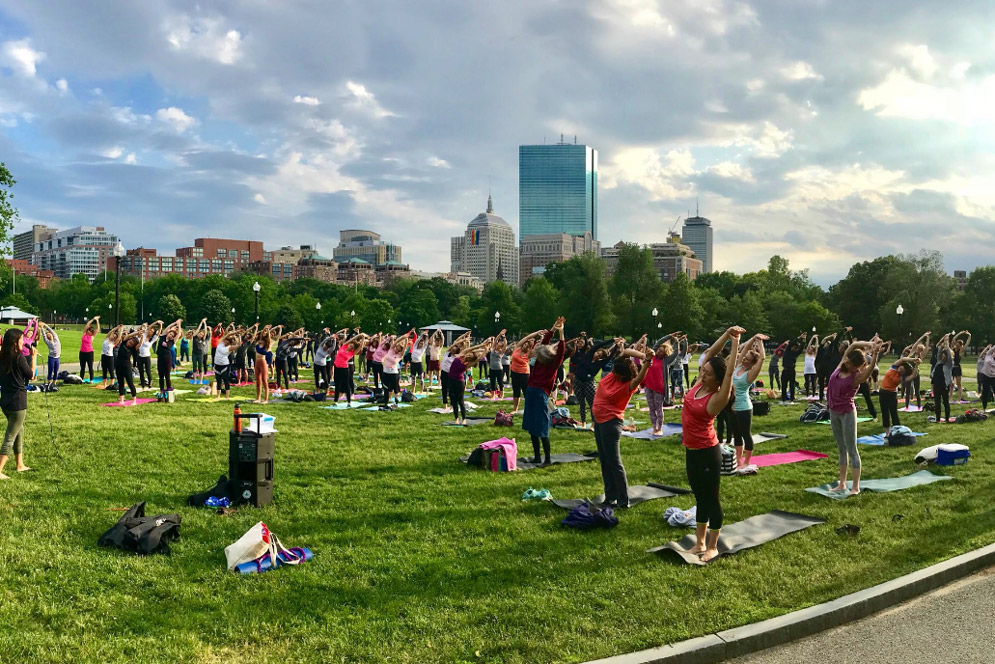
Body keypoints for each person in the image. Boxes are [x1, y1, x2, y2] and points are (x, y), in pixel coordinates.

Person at [682, 326, 742, 562]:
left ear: (716, 379)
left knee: (711, 498)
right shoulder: (698, 384)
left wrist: (736, 344)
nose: (703, 373)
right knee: (699, 497)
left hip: (708, 452)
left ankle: (713, 546)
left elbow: (728, 375)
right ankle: (698, 543)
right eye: (703, 371)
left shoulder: (718, 397)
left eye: (708, 373)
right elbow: (709, 354)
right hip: (691, 450)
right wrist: (727, 334)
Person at [591, 345, 653, 508]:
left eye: (617, 374)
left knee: (614, 462)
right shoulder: (614, 374)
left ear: (623, 375)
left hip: (611, 423)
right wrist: (643, 354)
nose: (614, 374)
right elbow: (625, 352)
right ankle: (610, 495)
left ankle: (623, 500)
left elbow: (639, 378)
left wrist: (647, 362)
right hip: (599, 421)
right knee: (604, 460)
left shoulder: (628, 385)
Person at [826, 339, 880, 496]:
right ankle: (842, 483)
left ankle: (855, 486)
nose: (848, 365)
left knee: (852, 450)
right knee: (841, 449)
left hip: (847, 414)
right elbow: (852, 346)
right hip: (833, 412)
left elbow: (869, 370)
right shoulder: (840, 366)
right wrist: (869, 344)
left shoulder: (856, 377)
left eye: (851, 365)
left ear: (857, 367)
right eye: (848, 362)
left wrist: (875, 354)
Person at [522, 317, 566, 466]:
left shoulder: (552, 364)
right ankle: (536, 457)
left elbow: (560, 351)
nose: (535, 355)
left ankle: (547, 459)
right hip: (531, 392)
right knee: (531, 427)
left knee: (541, 427)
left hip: (541, 394)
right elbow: (545, 343)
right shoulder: (541, 361)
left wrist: (561, 333)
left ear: (543, 355)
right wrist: (553, 328)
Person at [0, 328, 36, 479]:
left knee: (18, 430)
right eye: (21, 340)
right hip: (18, 402)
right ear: (15, 342)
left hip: (5, 401)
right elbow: (31, 376)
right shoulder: (19, 358)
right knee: (10, 436)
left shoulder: (1, 357)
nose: (23, 342)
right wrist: (33, 357)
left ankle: (19, 464)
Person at [571, 337, 624, 430]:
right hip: (577, 381)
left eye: (600, 356)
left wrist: (616, 347)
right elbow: (598, 345)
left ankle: (593, 424)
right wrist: (612, 340)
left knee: (592, 404)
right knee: (581, 403)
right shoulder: (588, 355)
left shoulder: (599, 363)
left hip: (589, 383)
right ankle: (583, 422)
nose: (597, 355)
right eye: (598, 353)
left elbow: (610, 357)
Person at [731, 334, 767, 469]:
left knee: (746, 434)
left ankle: (747, 461)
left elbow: (762, 358)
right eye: (744, 357)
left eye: (747, 359)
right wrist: (754, 338)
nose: (744, 358)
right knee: (736, 435)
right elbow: (745, 349)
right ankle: (738, 460)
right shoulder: (738, 366)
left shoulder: (751, 374)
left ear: (752, 363)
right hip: (732, 406)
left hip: (744, 407)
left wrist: (760, 342)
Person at [643, 334, 682, 435]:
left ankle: (659, 428)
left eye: (661, 351)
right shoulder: (652, 357)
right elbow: (657, 343)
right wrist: (669, 336)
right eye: (658, 350)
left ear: (665, 353)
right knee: (651, 409)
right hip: (648, 386)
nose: (659, 352)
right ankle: (654, 428)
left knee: (658, 409)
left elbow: (676, 352)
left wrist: (676, 341)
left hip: (659, 388)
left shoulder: (666, 361)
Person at [449, 339, 493, 425]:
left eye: (470, 356)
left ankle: (464, 418)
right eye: (469, 354)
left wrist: (485, 350)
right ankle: (456, 418)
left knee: (460, 400)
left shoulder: (468, 364)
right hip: (451, 380)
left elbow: (479, 358)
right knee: (453, 400)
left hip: (459, 382)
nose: (468, 355)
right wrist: (482, 345)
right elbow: (471, 348)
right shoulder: (461, 355)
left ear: (471, 359)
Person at [879, 357, 918, 434]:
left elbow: (913, 375)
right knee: (885, 413)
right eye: (900, 368)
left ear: (904, 373)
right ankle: (887, 433)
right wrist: (914, 359)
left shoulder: (902, 378)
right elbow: (903, 359)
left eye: (902, 370)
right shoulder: (893, 368)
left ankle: (897, 431)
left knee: (894, 413)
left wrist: (916, 366)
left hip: (891, 394)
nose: (899, 370)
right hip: (882, 392)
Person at [510, 331, 541, 415]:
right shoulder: (517, 348)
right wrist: (537, 332)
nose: (524, 346)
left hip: (524, 374)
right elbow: (527, 338)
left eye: (527, 345)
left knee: (526, 392)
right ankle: (515, 409)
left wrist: (542, 338)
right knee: (516, 391)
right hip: (514, 372)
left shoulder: (530, 353)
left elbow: (539, 347)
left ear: (529, 348)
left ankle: (529, 409)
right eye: (524, 344)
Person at [332, 332, 367, 405]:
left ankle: (349, 401)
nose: (351, 346)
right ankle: (335, 401)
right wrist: (358, 335)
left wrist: (363, 339)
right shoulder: (344, 346)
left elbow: (360, 347)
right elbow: (351, 340)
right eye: (351, 345)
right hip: (336, 368)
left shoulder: (352, 353)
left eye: (353, 347)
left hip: (344, 369)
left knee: (346, 385)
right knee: (337, 385)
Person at [382, 330, 415, 405]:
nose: (397, 350)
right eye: (397, 348)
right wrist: (403, 336)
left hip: (393, 373)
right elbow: (396, 342)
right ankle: (386, 402)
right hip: (385, 372)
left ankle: (396, 401)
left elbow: (403, 350)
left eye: (399, 349)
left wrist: (406, 341)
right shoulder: (391, 350)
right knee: (386, 388)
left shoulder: (400, 355)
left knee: (395, 388)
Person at [115, 326, 145, 405]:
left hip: (126, 366)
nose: (129, 343)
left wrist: (141, 338)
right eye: (130, 341)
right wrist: (137, 333)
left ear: (133, 345)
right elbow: (129, 336)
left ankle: (134, 400)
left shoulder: (132, 349)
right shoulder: (124, 342)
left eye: (131, 343)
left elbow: (139, 345)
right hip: (118, 365)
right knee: (120, 383)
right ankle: (121, 400)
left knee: (130, 383)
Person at [253, 325, 281, 405]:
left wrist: (269, 330)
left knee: (264, 381)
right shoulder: (259, 341)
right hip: (257, 362)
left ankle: (266, 399)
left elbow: (268, 336)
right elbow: (261, 334)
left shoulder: (267, 342)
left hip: (263, 361)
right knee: (258, 381)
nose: (264, 333)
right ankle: (258, 398)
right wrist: (264, 328)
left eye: (266, 332)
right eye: (264, 332)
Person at [214, 328, 242, 401]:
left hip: (224, 365)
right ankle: (218, 396)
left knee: (226, 380)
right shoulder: (221, 343)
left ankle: (227, 397)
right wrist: (236, 331)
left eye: (227, 341)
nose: (226, 341)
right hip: (217, 365)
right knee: (218, 380)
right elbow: (228, 334)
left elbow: (239, 345)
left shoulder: (230, 348)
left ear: (229, 343)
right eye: (226, 340)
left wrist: (239, 336)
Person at [156, 319, 183, 394]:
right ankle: (161, 389)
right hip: (160, 358)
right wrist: (175, 323)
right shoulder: (162, 337)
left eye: (172, 335)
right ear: (168, 333)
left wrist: (179, 325)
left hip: (167, 358)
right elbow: (168, 327)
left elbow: (178, 335)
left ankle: (168, 387)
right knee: (161, 375)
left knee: (167, 375)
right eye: (170, 334)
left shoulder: (172, 342)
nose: (170, 335)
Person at [779, 334, 805, 402]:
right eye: (794, 347)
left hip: (792, 371)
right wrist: (799, 337)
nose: (795, 349)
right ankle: (783, 399)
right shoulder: (787, 351)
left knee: (792, 386)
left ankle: (792, 398)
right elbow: (791, 343)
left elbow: (801, 349)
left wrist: (803, 341)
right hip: (785, 370)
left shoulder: (795, 353)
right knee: (784, 386)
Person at [136, 321, 161, 388]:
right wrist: (156, 322)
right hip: (140, 356)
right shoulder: (144, 335)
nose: (150, 331)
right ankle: (142, 384)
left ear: (153, 333)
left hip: (146, 356)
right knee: (141, 371)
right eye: (150, 330)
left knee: (148, 370)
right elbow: (149, 327)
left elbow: (158, 333)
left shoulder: (152, 339)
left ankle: (150, 382)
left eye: (152, 331)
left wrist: (160, 326)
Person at [950, 331, 971, 402]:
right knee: (951, 384)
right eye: (956, 343)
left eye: (958, 344)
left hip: (957, 368)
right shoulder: (952, 350)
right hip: (951, 368)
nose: (957, 345)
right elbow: (953, 339)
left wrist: (969, 336)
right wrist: (960, 333)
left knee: (959, 384)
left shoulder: (960, 351)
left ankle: (959, 399)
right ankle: (950, 399)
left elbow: (967, 344)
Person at [39, 322, 61, 388]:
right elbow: (44, 336)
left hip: (57, 358)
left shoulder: (56, 339)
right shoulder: (48, 342)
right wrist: (42, 329)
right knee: (50, 370)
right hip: (51, 358)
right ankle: (49, 383)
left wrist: (45, 325)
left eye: (49, 334)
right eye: (48, 335)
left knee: (56, 370)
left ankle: (54, 383)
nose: (49, 335)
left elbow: (52, 331)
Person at [486, 331, 508, 398]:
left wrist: (504, 338)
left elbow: (506, 344)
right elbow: (495, 340)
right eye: (499, 343)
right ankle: (493, 395)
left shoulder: (501, 352)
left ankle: (501, 395)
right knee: (492, 382)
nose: (499, 344)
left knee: (500, 382)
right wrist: (500, 334)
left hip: (499, 369)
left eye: (500, 344)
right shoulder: (492, 349)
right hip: (492, 369)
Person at [79, 315, 98, 382]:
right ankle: (81, 378)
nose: (88, 331)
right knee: (82, 367)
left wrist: (97, 321)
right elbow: (87, 324)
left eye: (90, 331)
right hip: (82, 352)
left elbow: (97, 329)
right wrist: (93, 319)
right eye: (88, 330)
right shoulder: (84, 334)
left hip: (89, 352)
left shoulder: (92, 337)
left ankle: (91, 379)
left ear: (91, 332)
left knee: (90, 366)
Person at [978, 344, 995, 411]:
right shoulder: (988, 355)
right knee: (985, 392)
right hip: (986, 376)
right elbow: (993, 349)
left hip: (993, 377)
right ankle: (984, 408)